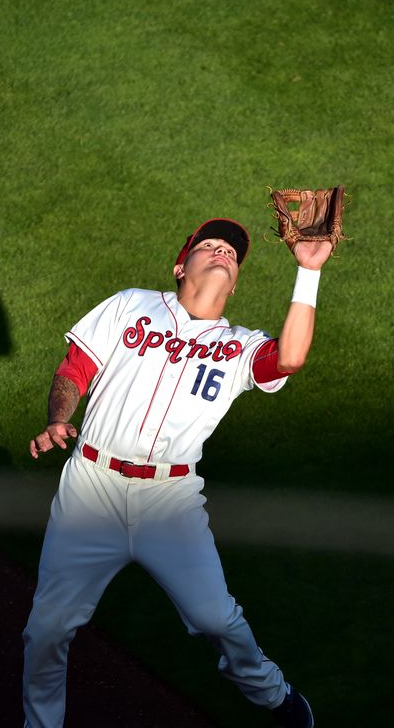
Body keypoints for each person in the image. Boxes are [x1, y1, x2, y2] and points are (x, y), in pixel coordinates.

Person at [22, 217, 331, 727]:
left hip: (170, 499)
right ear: (179, 265)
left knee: (216, 618)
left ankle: (274, 697)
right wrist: (59, 418)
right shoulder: (131, 305)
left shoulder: (239, 346)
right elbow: (75, 367)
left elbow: (290, 358)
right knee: (48, 629)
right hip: (91, 487)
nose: (221, 252)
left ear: (236, 283)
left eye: (230, 253)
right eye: (208, 245)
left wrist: (308, 272)